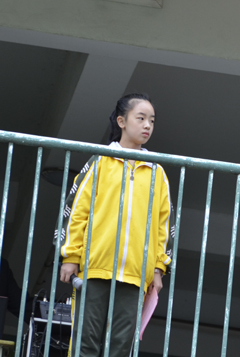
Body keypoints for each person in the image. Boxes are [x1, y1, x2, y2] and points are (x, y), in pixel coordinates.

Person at [57, 93, 173, 357]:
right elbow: (77, 211)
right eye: (140, 118)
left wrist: (158, 268)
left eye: (152, 121)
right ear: (121, 121)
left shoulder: (157, 172)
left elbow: (163, 226)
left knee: (120, 348)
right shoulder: (99, 161)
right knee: (84, 344)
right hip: (95, 268)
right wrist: (71, 256)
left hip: (136, 275)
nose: (147, 125)